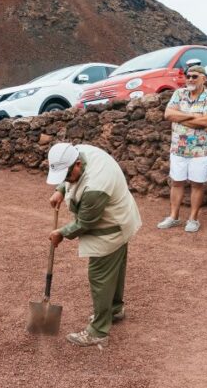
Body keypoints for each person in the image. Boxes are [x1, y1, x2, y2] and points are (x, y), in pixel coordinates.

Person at [47, 142, 142, 349]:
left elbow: (85, 223)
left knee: (100, 274)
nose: (65, 180)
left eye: (66, 176)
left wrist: (61, 233)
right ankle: (115, 309)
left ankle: (98, 331)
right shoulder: (78, 151)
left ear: (78, 164)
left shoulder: (94, 187)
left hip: (112, 226)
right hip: (121, 216)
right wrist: (61, 189)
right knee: (114, 269)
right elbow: (70, 179)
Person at [158, 65, 207, 233]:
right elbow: (168, 115)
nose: (190, 79)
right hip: (178, 148)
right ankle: (173, 217)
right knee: (176, 182)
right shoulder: (179, 94)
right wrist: (193, 116)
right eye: (188, 76)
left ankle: (193, 219)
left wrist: (180, 118)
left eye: (194, 76)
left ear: (204, 78)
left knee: (197, 184)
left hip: (201, 149)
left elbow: (206, 121)